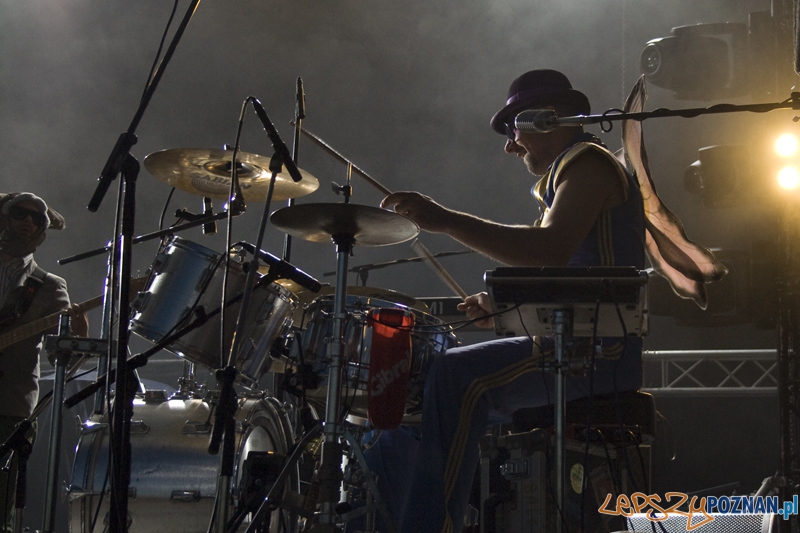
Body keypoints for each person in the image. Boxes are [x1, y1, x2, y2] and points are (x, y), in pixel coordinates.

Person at [370, 69, 725, 533]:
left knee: (456, 377)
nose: (510, 147)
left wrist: (446, 220)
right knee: (431, 389)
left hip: (597, 354)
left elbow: (549, 250)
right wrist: (503, 305)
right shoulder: (573, 172)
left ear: (544, 119)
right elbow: (564, 275)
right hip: (571, 346)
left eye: (513, 130)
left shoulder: (589, 165)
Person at [0, 192, 88, 532]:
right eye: (20, 213)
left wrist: (78, 334)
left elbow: (64, 357)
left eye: (37, 218)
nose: (28, 221)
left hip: (8, 408)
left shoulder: (49, 287)